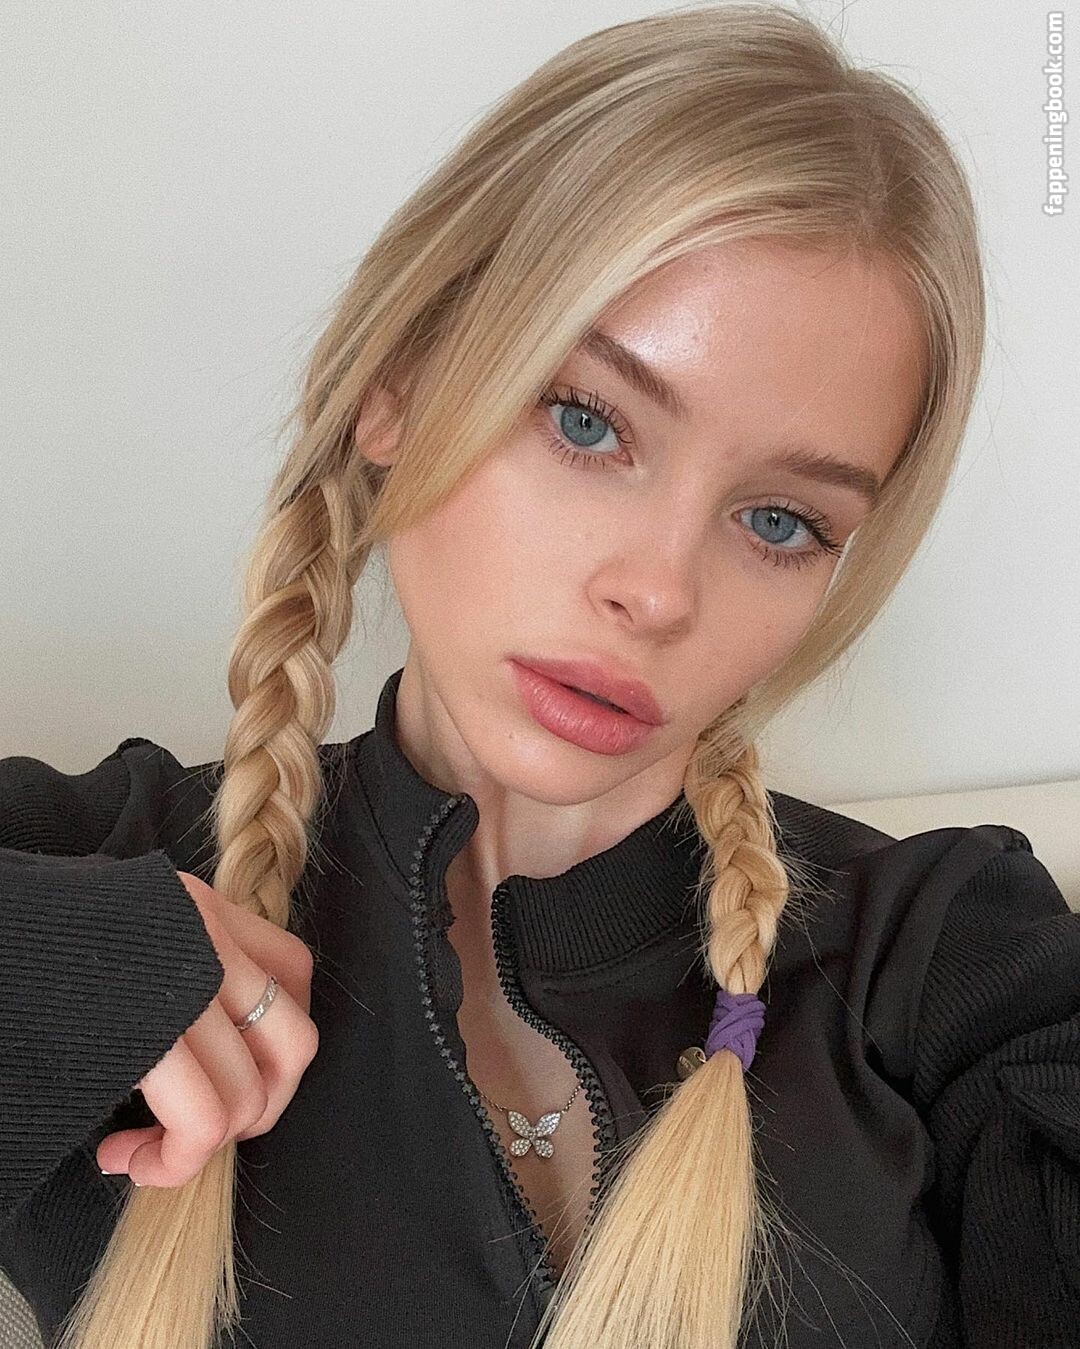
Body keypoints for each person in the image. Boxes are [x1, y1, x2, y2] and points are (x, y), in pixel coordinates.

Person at [1, 5, 1077, 1348]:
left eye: (780, 520)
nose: (659, 589)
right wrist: (60, 966)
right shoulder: (98, 876)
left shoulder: (951, 959)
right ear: (397, 388)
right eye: (586, 422)